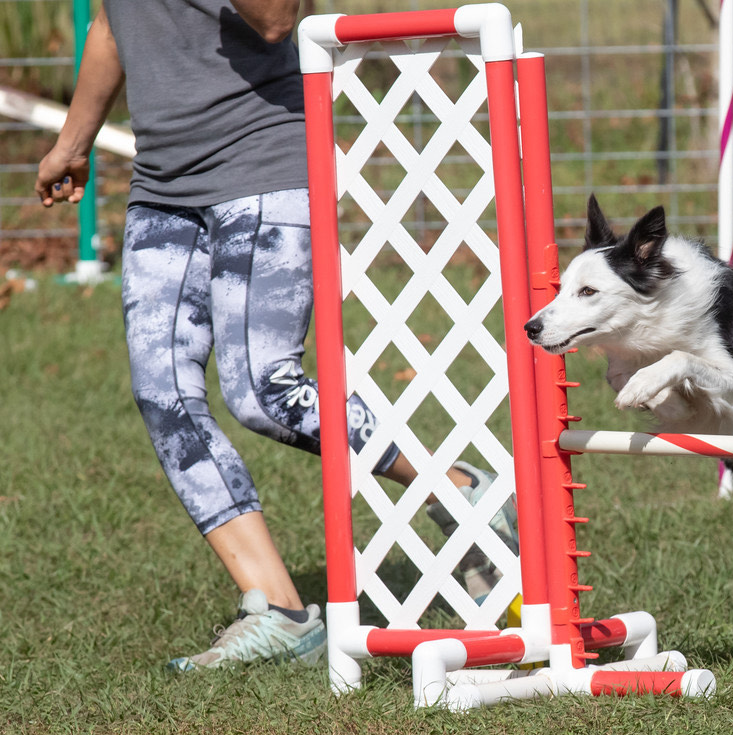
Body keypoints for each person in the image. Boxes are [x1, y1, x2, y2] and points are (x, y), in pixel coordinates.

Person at [36, 0, 517, 672]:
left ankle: (455, 486)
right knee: (163, 397)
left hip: (260, 167)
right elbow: (113, 27)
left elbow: (274, 19)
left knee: (263, 391)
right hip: (162, 184)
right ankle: (281, 610)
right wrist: (73, 141)